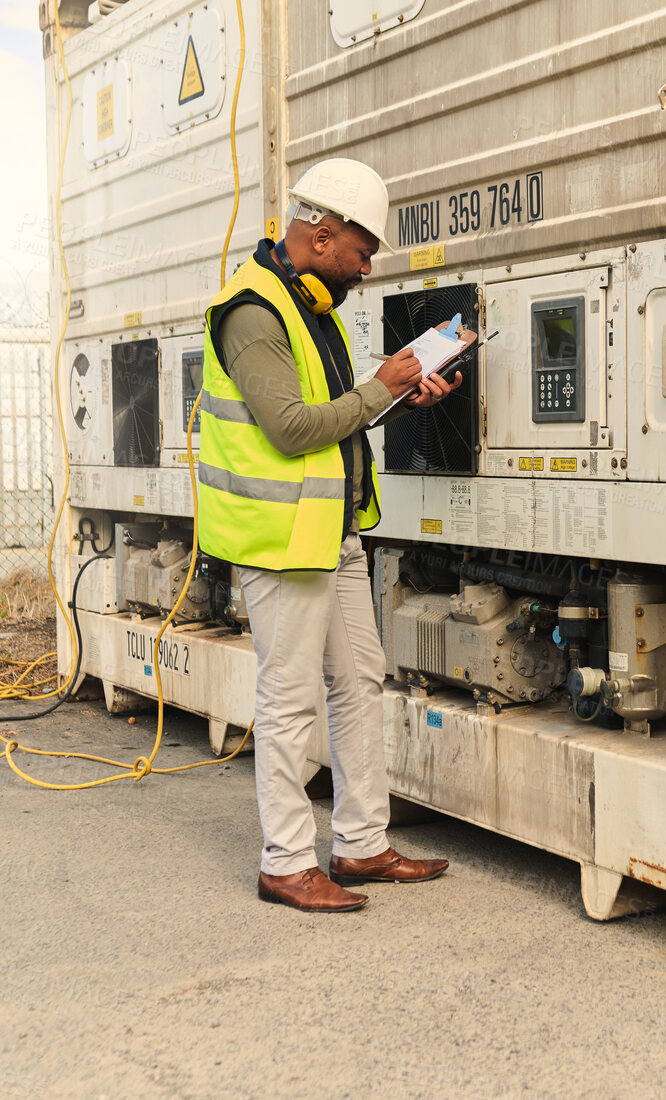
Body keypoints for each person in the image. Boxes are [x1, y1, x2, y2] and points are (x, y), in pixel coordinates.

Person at [194, 158, 465, 912]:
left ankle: (359, 845)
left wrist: (398, 400)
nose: (367, 265)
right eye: (362, 249)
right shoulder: (252, 313)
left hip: (331, 534)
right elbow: (288, 430)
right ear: (321, 232)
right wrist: (381, 387)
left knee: (356, 684)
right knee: (288, 701)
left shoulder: (309, 306)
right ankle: (284, 860)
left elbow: (335, 414)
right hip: (279, 540)